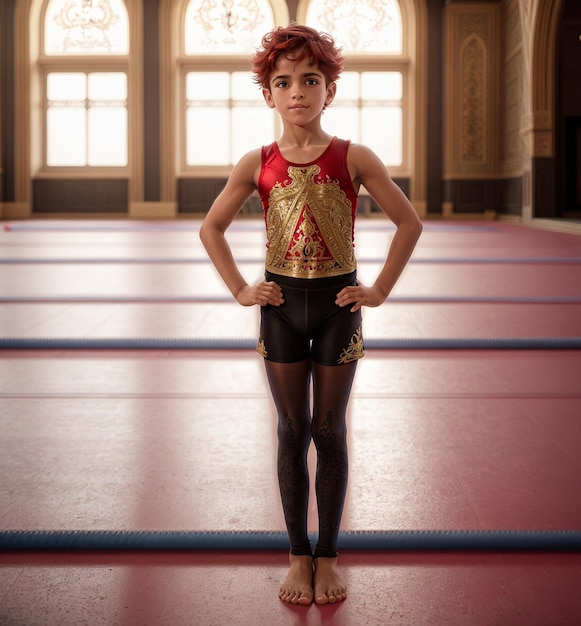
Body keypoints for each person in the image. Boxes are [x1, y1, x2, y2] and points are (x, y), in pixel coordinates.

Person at [199, 24, 422, 606]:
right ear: (267, 93)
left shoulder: (354, 157)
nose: (297, 91)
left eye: (310, 79)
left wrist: (378, 290)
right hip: (279, 308)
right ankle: (298, 551)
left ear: (329, 88)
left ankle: (329, 554)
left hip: (337, 307)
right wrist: (241, 289)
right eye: (283, 81)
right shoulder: (259, 162)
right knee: (291, 430)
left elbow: (410, 223)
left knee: (329, 429)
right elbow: (211, 227)